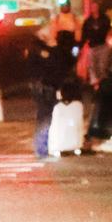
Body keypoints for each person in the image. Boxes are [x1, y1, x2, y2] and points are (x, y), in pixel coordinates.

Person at [28, 15, 78, 157]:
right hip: (44, 87)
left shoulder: (48, 47)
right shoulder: (39, 48)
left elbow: (63, 63)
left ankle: (43, 147)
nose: (52, 32)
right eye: (49, 29)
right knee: (44, 117)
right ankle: (41, 148)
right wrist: (53, 47)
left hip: (49, 86)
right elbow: (54, 65)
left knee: (46, 117)